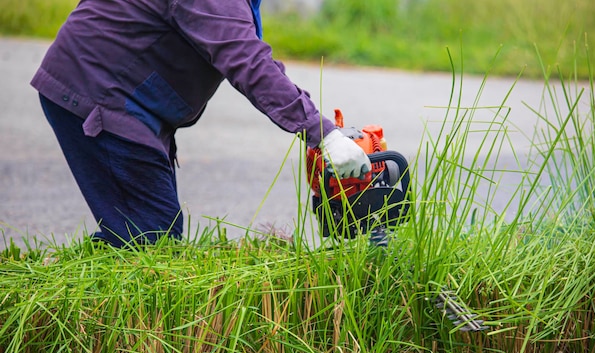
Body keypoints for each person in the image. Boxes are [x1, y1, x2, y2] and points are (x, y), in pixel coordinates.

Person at [31, 0, 371, 247]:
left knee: (143, 232)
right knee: (151, 237)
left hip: (123, 94)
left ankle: (72, 277)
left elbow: (250, 53)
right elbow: (247, 63)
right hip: (99, 92)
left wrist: (319, 127)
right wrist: (322, 134)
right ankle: (69, 307)